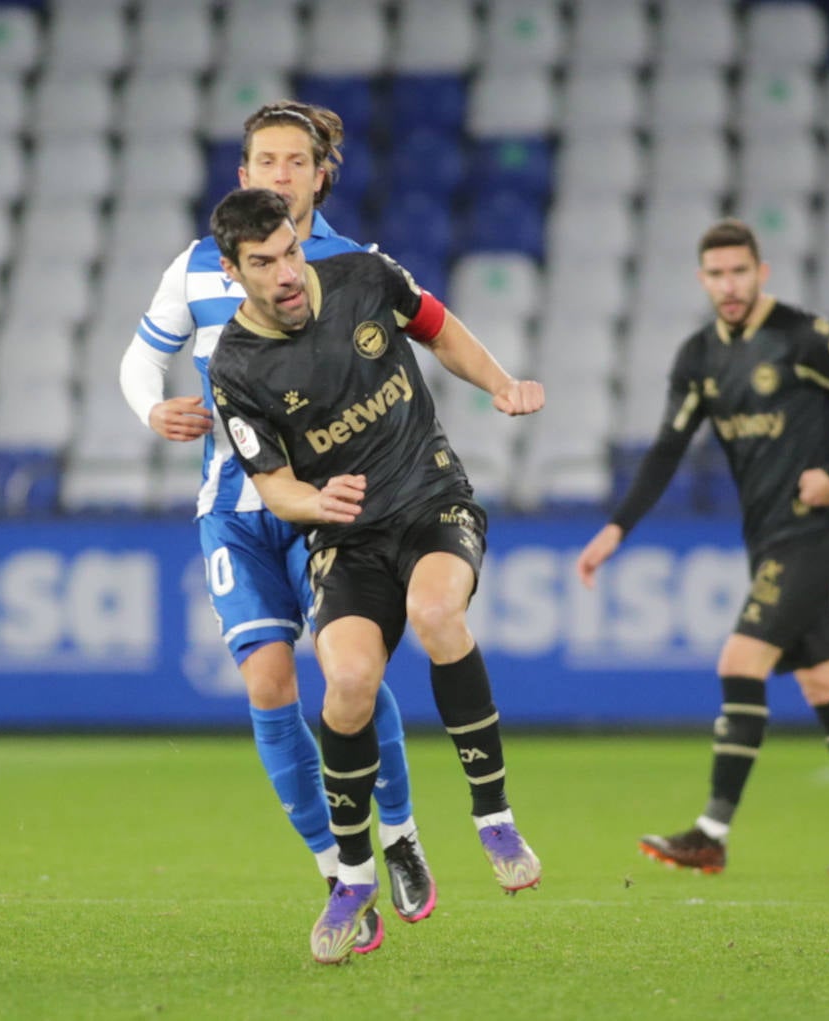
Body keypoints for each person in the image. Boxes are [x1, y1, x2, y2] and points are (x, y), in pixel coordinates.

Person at [119, 102, 434, 952]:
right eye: (266, 160)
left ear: (321, 173)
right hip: (234, 508)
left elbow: (416, 347)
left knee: (349, 676)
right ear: (243, 175)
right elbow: (141, 355)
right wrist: (153, 408)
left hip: (326, 509)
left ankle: (399, 831)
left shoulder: (349, 265)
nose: (280, 175)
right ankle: (339, 869)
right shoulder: (196, 267)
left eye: (296, 161)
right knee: (267, 685)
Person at [207, 187, 544, 964]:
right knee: (349, 681)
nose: (287, 272)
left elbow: (438, 328)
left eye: (290, 250)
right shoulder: (236, 365)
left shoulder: (363, 275)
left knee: (436, 614)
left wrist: (497, 382)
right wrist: (314, 499)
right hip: (345, 537)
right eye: (263, 263)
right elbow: (271, 484)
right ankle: (353, 876)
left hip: (431, 500)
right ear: (233, 271)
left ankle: (492, 814)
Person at [575, 218, 829, 877]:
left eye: (740, 272)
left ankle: (710, 831)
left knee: (740, 661)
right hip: (766, 541)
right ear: (701, 279)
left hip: (813, 534)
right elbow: (666, 453)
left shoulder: (803, 335)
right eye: (716, 274)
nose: (729, 285)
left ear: (761, 272)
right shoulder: (699, 358)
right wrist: (614, 530)